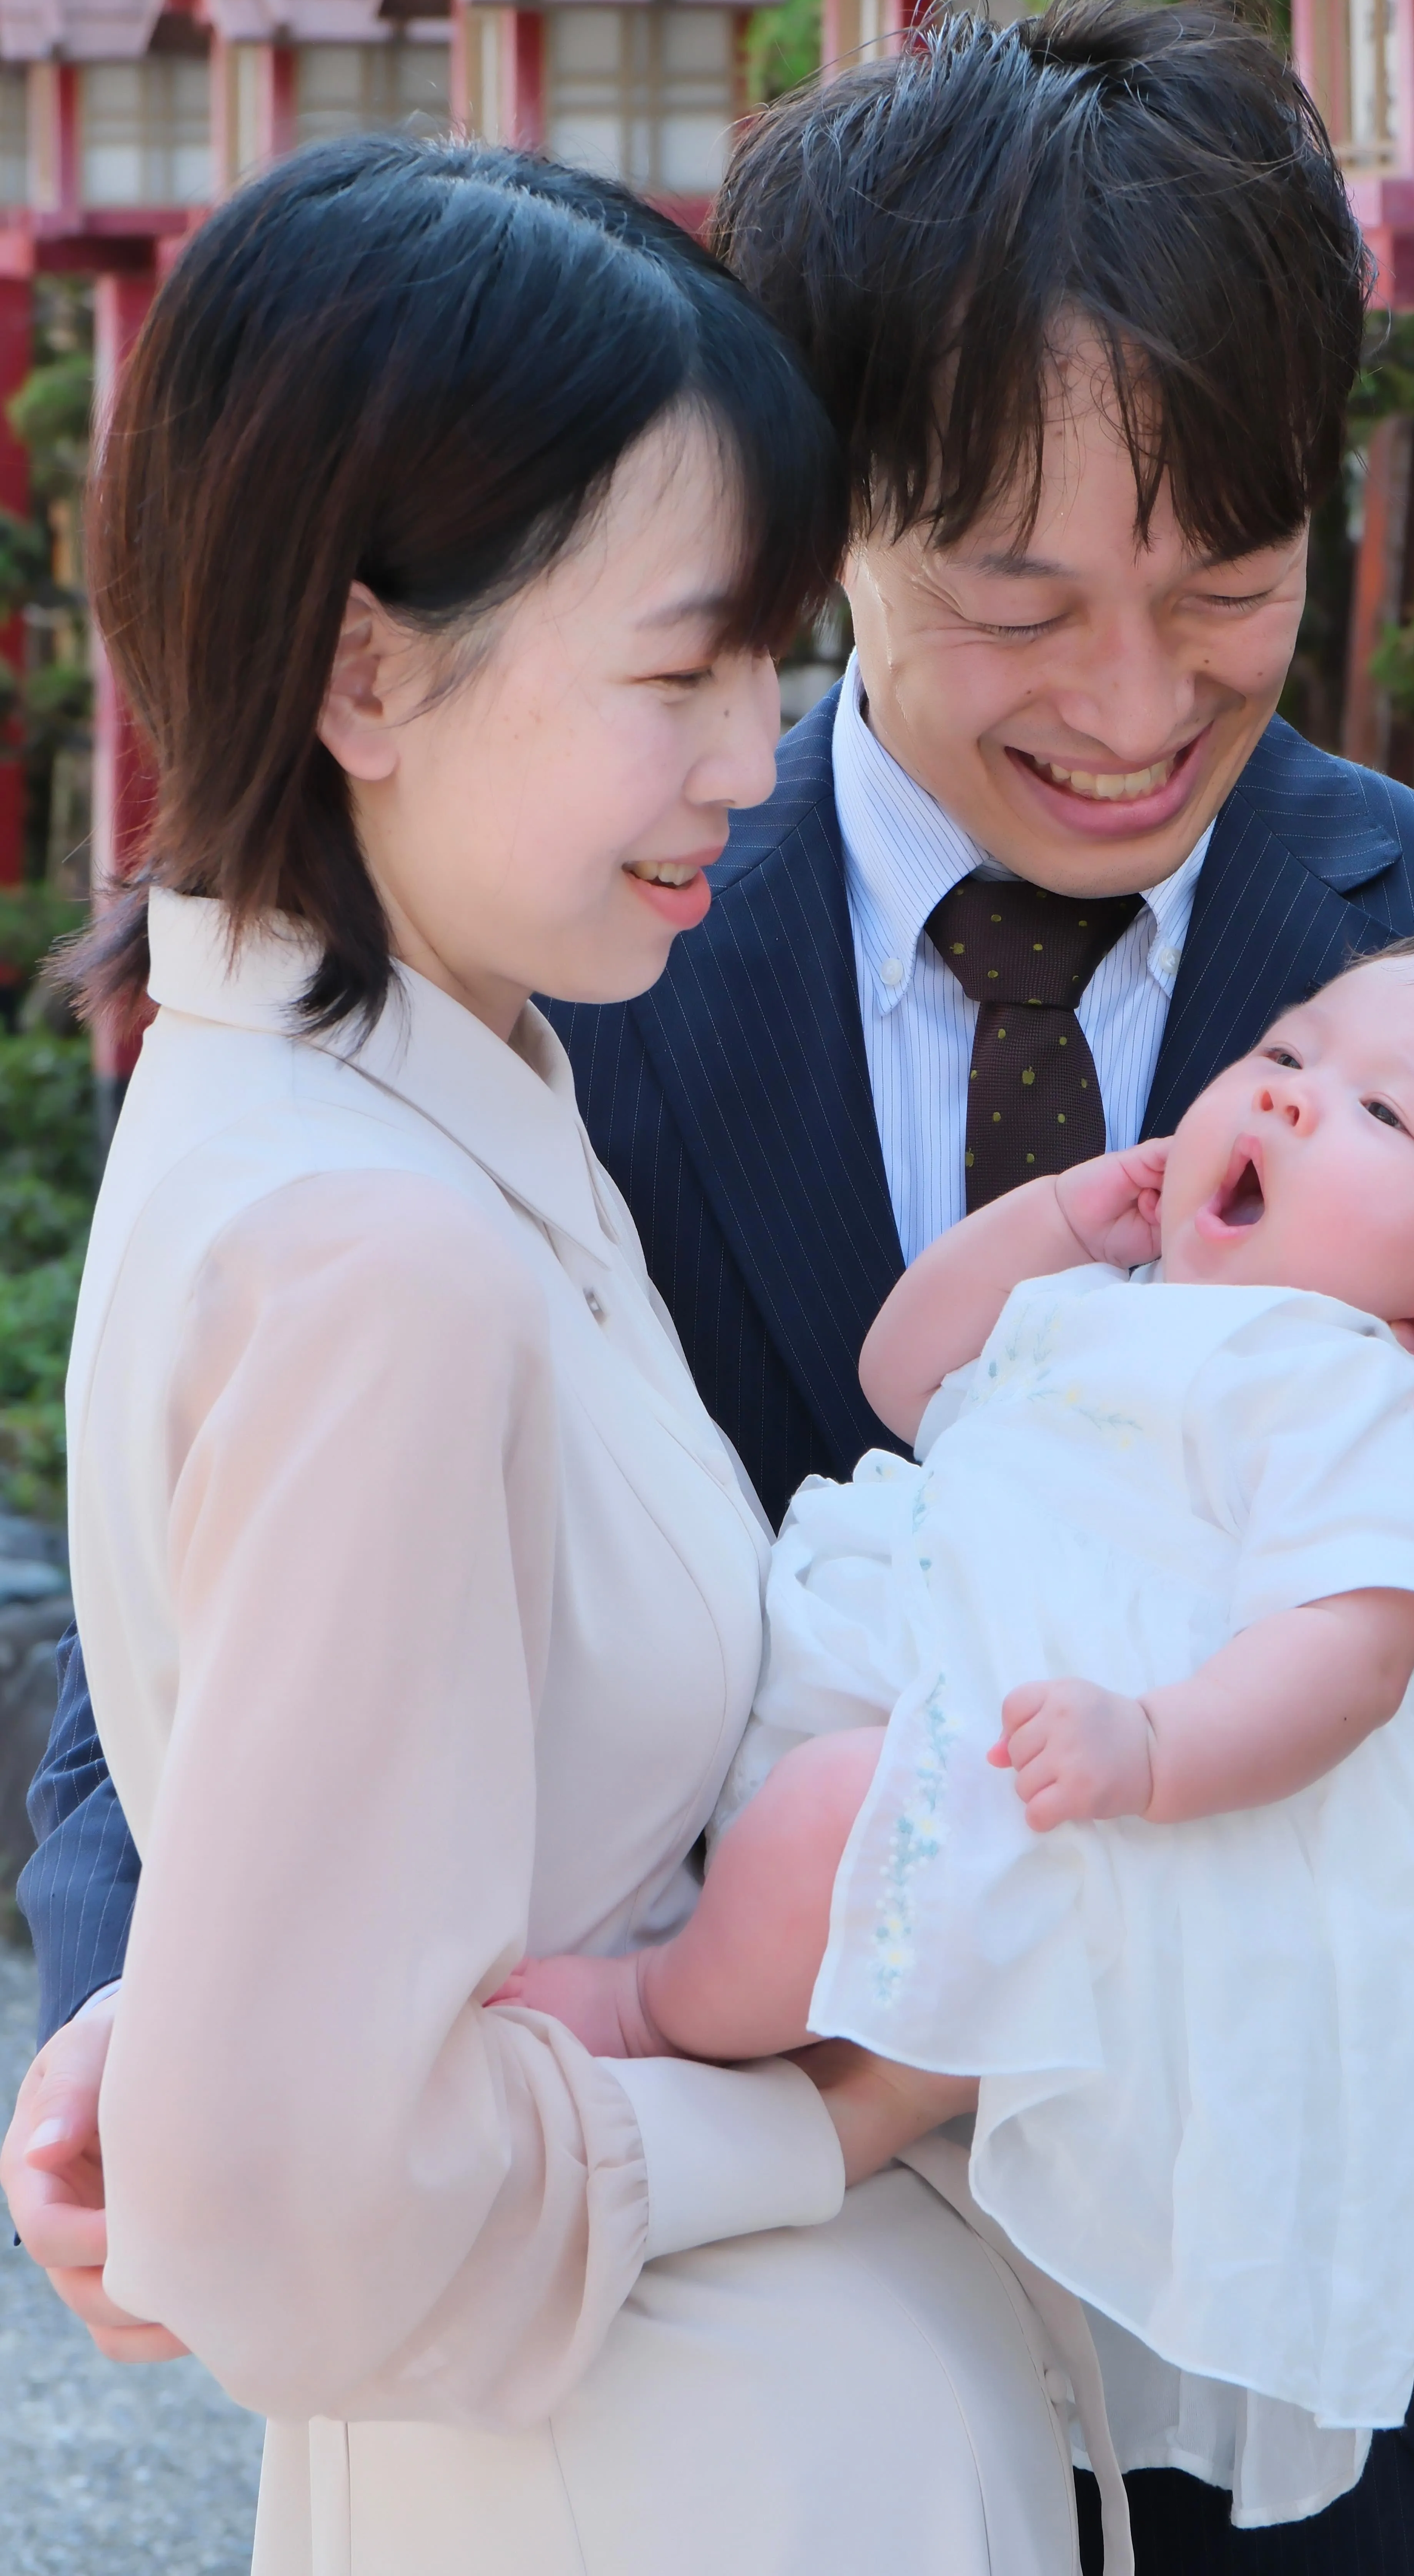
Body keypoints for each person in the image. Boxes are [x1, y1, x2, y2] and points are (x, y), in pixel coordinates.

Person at [10, 0, 1414, 2573]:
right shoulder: (559, 958)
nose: (1132, 705)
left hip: (1340, 2422)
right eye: (1016, 602)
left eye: (1222, 587)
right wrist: (153, 2012)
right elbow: (234, 1639)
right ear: (822, 517)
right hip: (731, 2399)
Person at [2, 135, 1107, 2576]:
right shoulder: (387, 1241)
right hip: (655, 2471)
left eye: (771, 665)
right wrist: (811, 2119)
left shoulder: (397, 1090)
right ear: (364, 673)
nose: (751, 756)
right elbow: (294, 2219)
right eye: (675, 670)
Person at [501, 930, 1414, 2539]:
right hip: (913, 1721)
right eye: (1285, 1052)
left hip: (1089, 1815)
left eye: (1383, 1117)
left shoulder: (1354, 1400)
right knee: (840, 1842)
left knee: (852, 1833)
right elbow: (908, 1374)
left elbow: (1341, 1651)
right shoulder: (1113, 1300)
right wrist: (1058, 1220)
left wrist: (1154, 1748)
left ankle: (659, 2017)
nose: (1294, 1100)